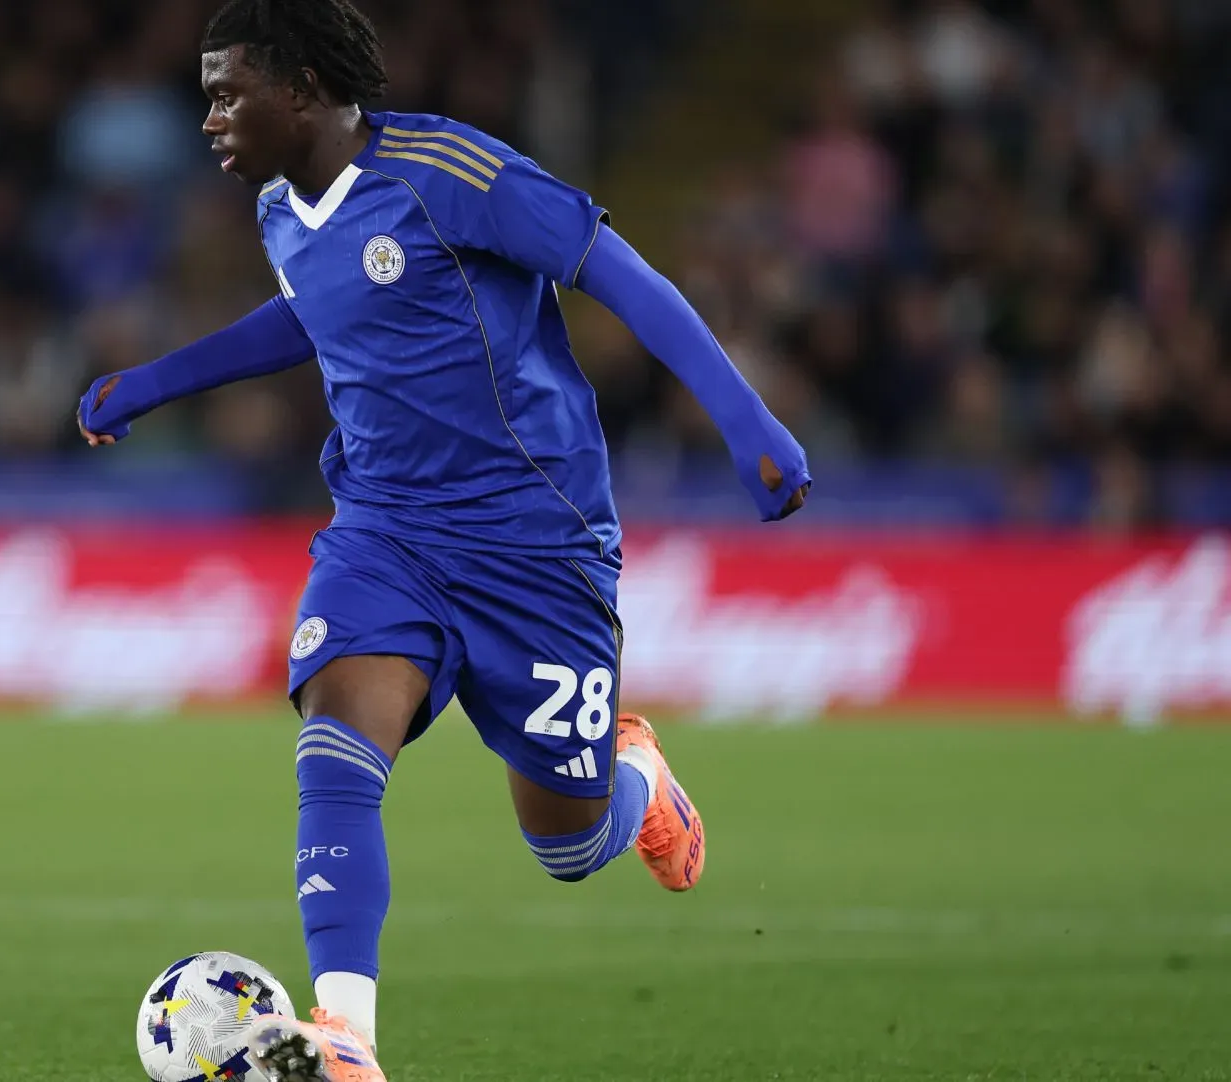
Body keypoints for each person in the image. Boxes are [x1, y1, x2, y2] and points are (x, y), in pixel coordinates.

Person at [79, 2, 810, 1078]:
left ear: (303, 88)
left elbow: (618, 273)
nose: (210, 119)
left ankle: (643, 782)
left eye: (227, 94)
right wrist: (156, 381)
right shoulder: (280, 210)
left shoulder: (452, 173)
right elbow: (314, 315)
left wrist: (749, 422)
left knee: (567, 842)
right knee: (335, 741)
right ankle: (347, 1038)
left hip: (535, 544)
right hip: (386, 529)